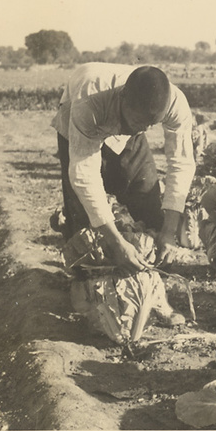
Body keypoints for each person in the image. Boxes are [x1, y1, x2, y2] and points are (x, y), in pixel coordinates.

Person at [51, 62, 196, 273]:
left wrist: (168, 232)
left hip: (126, 124)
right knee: (83, 219)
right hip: (80, 121)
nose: (146, 129)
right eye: (141, 121)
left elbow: (181, 163)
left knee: (146, 193)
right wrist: (116, 242)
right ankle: (88, 279)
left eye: (152, 124)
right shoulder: (88, 100)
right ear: (122, 99)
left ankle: (151, 266)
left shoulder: (175, 102)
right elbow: (84, 174)